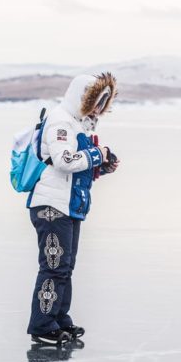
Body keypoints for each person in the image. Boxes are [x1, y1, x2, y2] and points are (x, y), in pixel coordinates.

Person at [26, 72, 120, 346]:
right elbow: (64, 160)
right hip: (51, 207)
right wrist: (96, 155)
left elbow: (75, 170)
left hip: (68, 206)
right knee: (54, 267)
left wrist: (102, 165)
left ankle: (58, 319)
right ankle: (42, 324)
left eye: (102, 104)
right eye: (95, 102)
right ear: (82, 97)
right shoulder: (60, 121)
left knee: (65, 267)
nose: (97, 110)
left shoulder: (77, 125)